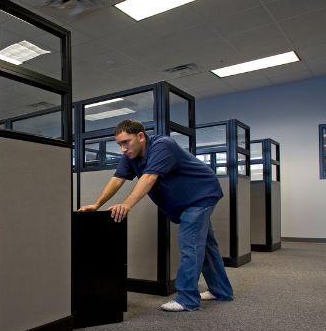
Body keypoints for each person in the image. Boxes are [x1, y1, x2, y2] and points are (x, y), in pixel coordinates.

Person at [78, 119, 234, 312]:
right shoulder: (130, 154)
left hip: (201, 195)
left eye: (125, 142)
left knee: (190, 243)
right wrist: (97, 204)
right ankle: (221, 290)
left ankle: (187, 299)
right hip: (186, 201)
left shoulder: (163, 145)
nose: (122, 149)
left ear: (141, 136)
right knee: (207, 245)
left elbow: (149, 177)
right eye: (119, 144)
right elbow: (117, 179)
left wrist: (126, 205)